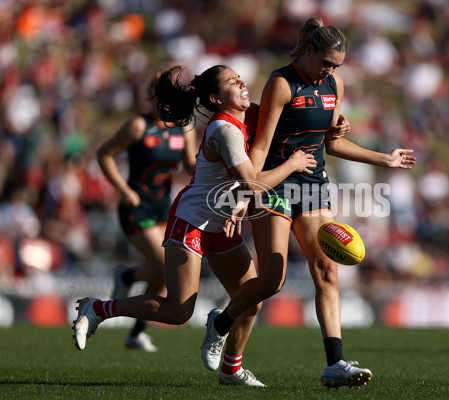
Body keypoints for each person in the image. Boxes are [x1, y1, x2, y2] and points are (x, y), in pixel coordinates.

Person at [200, 16, 417, 389]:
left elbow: (330, 143)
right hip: (277, 184)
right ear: (310, 50)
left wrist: (385, 158)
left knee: (327, 272)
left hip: (314, 186)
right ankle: (220, 322)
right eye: (326, 63)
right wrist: (246, 191)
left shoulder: (335, 84)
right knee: (272, 280)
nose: (330, 71)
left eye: (337, 66)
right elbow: (263, 145)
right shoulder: (281, 83)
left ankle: (335, 363)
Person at [73, 64, 322, 387]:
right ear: (217, 98)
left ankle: (231, 369)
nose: (243, 83)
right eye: (233, 82)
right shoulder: (224, 129)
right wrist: (292, 164)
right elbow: (251, 183)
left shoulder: (252, 114)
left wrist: (334, 127)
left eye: (240, 78)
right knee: (179, 311)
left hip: (222, 225)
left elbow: (295, 125)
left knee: (249, 300)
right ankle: (99, 308)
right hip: (191, 221)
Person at [96, 80, 197, 352]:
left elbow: (190, 164)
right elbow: (104, 154)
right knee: (169, 267)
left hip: (164, 208)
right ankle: (127, 279)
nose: (163, 104)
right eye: (158, 98)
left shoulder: (184, 128)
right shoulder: (138, 125)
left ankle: (136, 329)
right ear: (150, 99)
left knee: (164, 273)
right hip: (136, 208)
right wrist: (123, 189)